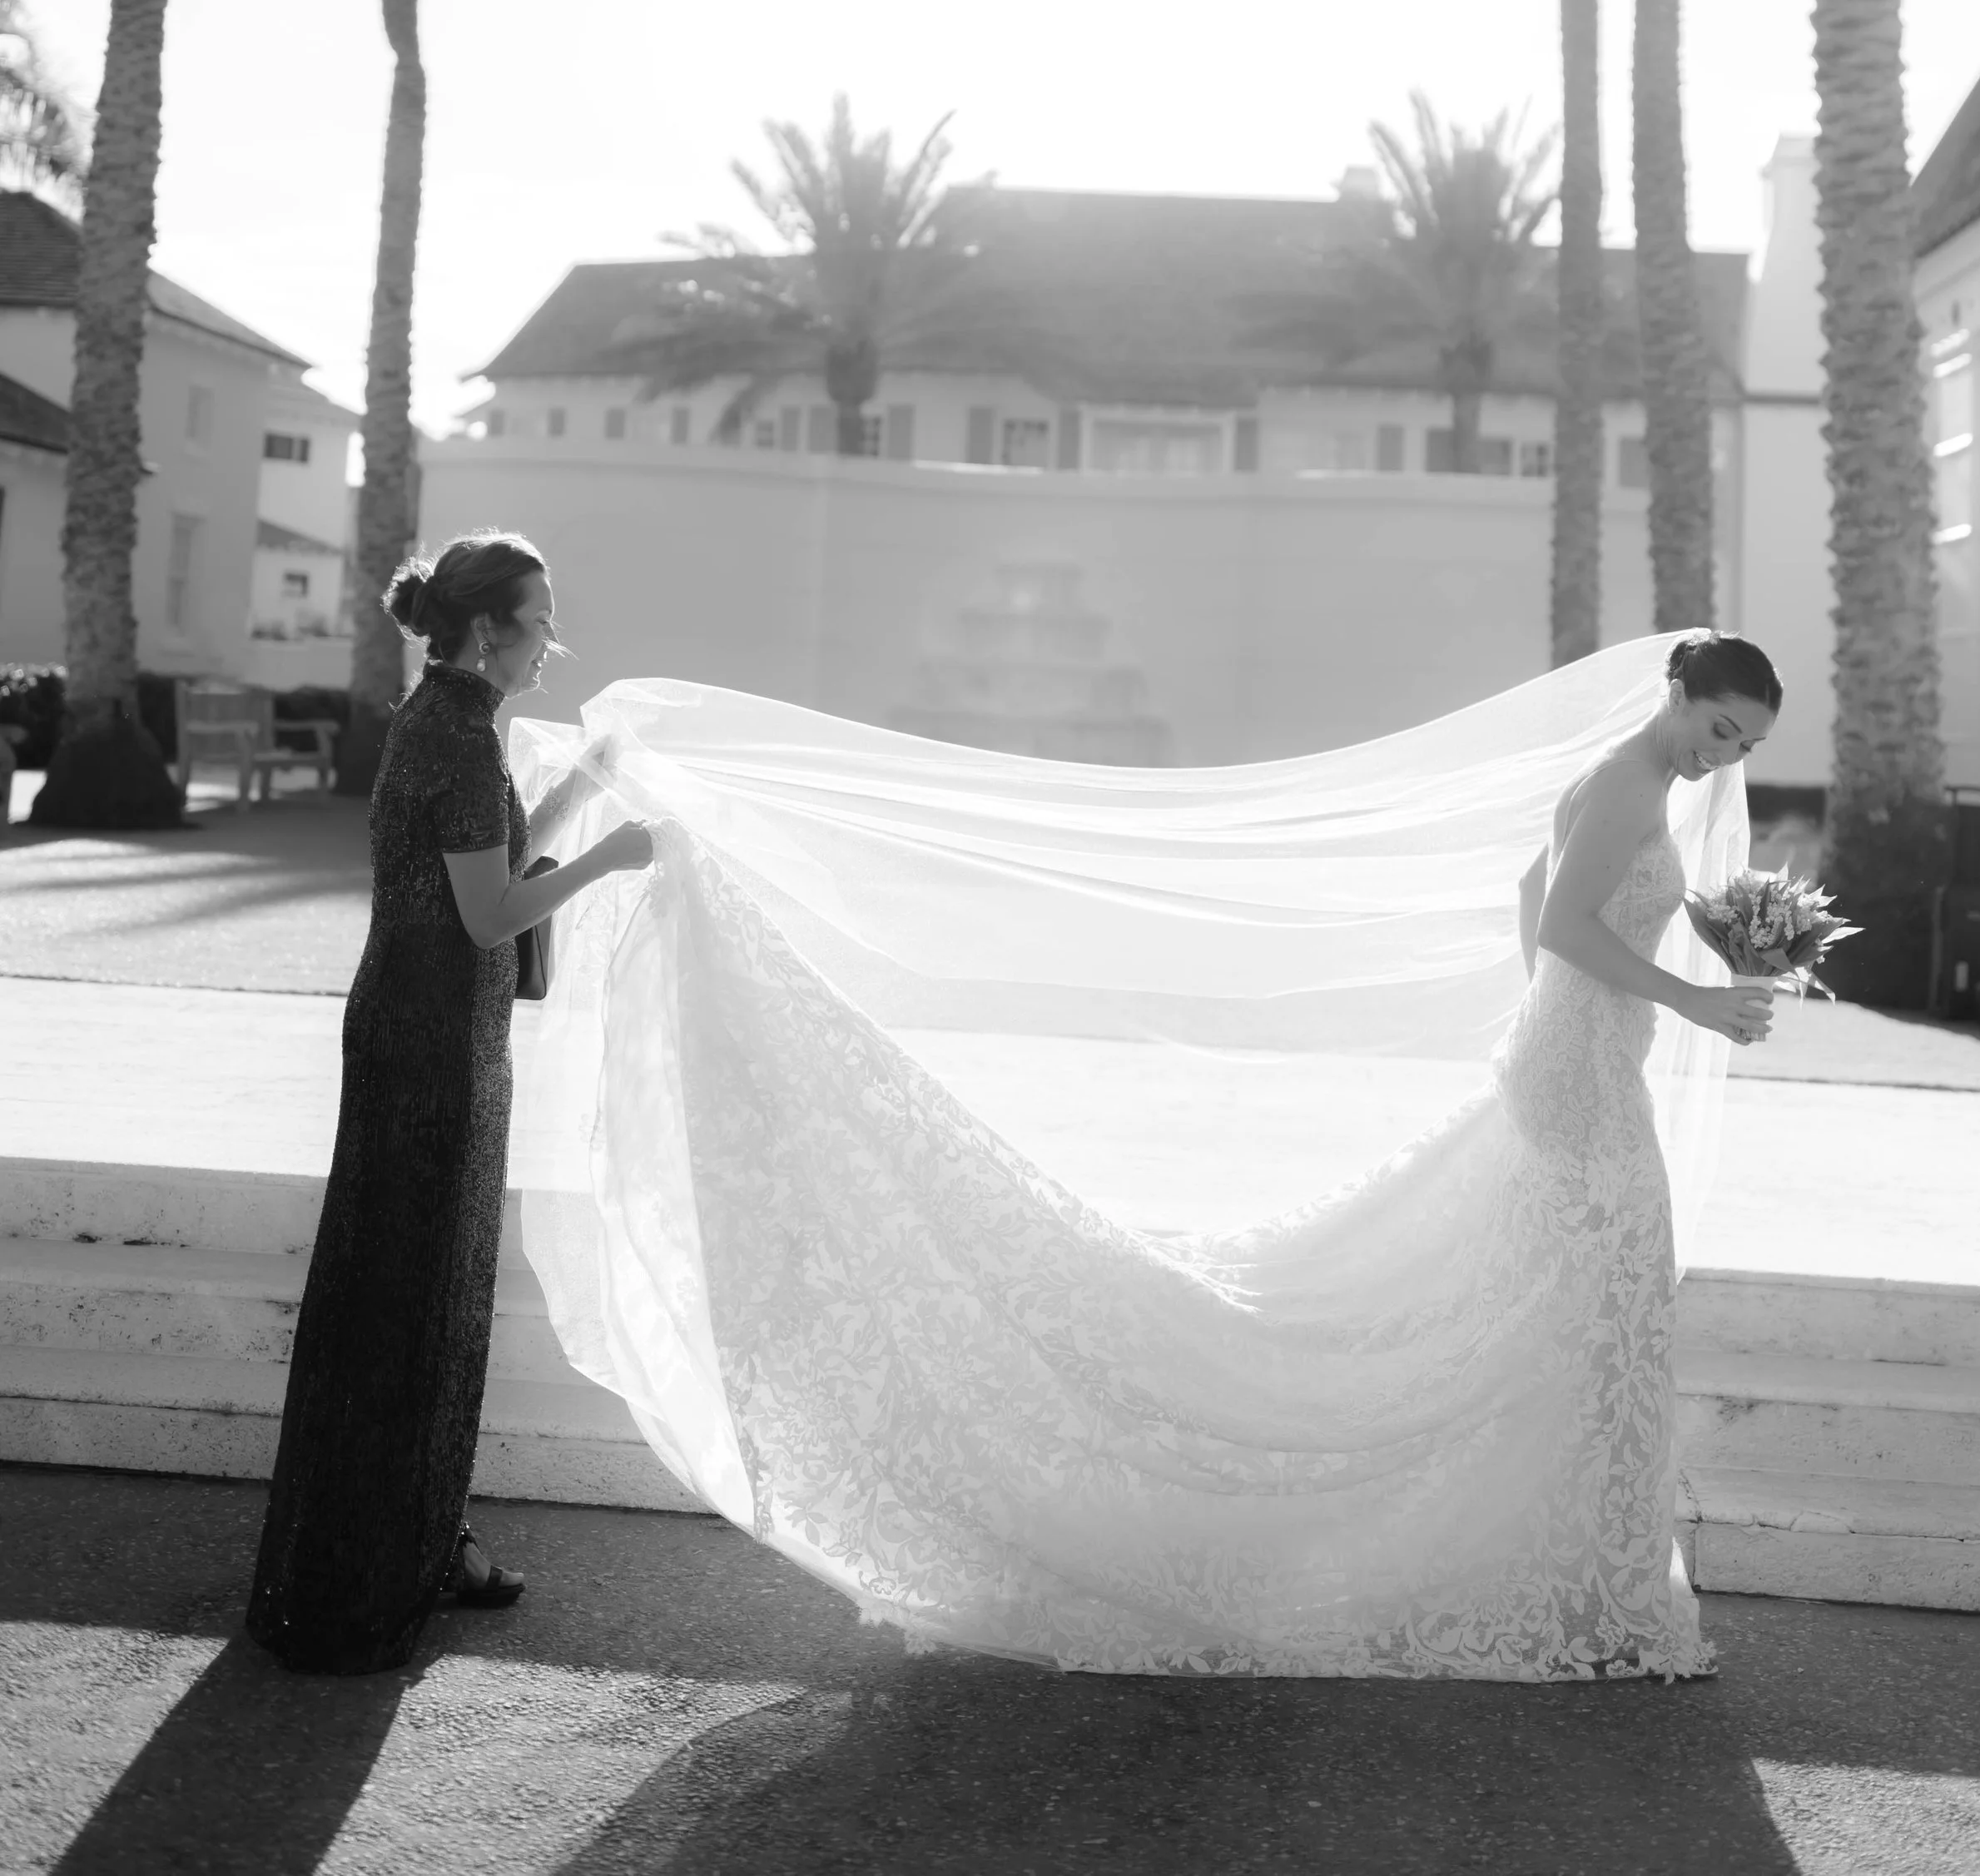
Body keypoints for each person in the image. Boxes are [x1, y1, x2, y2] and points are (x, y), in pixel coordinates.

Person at [527, 626, 1783, 1679]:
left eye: (1745, 743)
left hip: (1570, 1064)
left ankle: (1571, 1563)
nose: (1726, 753)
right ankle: (1592, 1579)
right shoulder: (1630, 779)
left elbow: (1530, 893)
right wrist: (1686, 1002)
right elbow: (1563, 918)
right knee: (1602, 1300)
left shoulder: (1636, 784)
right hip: (1584, 1079)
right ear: (1677, 690)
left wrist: (1565, 1019)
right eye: (1720, 724)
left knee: (1576, 1308)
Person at [246, 530, 653, 1675]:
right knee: (409, 1304)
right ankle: (379, 1558)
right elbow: (490, 914)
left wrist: (581, 780)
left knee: (410, 1300)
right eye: (542, 620)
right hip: (428, 1053)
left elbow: (492, 862)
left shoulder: (441, 719)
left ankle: (414, 1537)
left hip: (433, 1036)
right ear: (488, 629)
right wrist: (612, 857)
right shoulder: (461, 742)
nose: (552, 643)